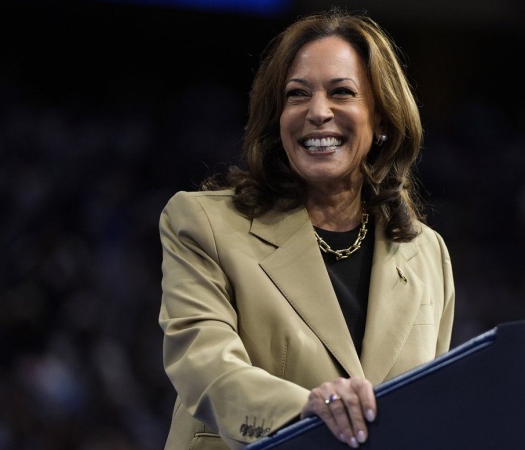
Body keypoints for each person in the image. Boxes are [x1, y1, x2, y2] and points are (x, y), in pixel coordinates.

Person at [157, 7, 455, 450]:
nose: (318, 112)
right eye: (297, 95)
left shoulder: (427, 253)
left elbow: (434, 407)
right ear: (277, 120)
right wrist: (307, 410)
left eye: (342, 93)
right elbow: (205, 366)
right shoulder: (203, 224)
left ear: (383, 123)